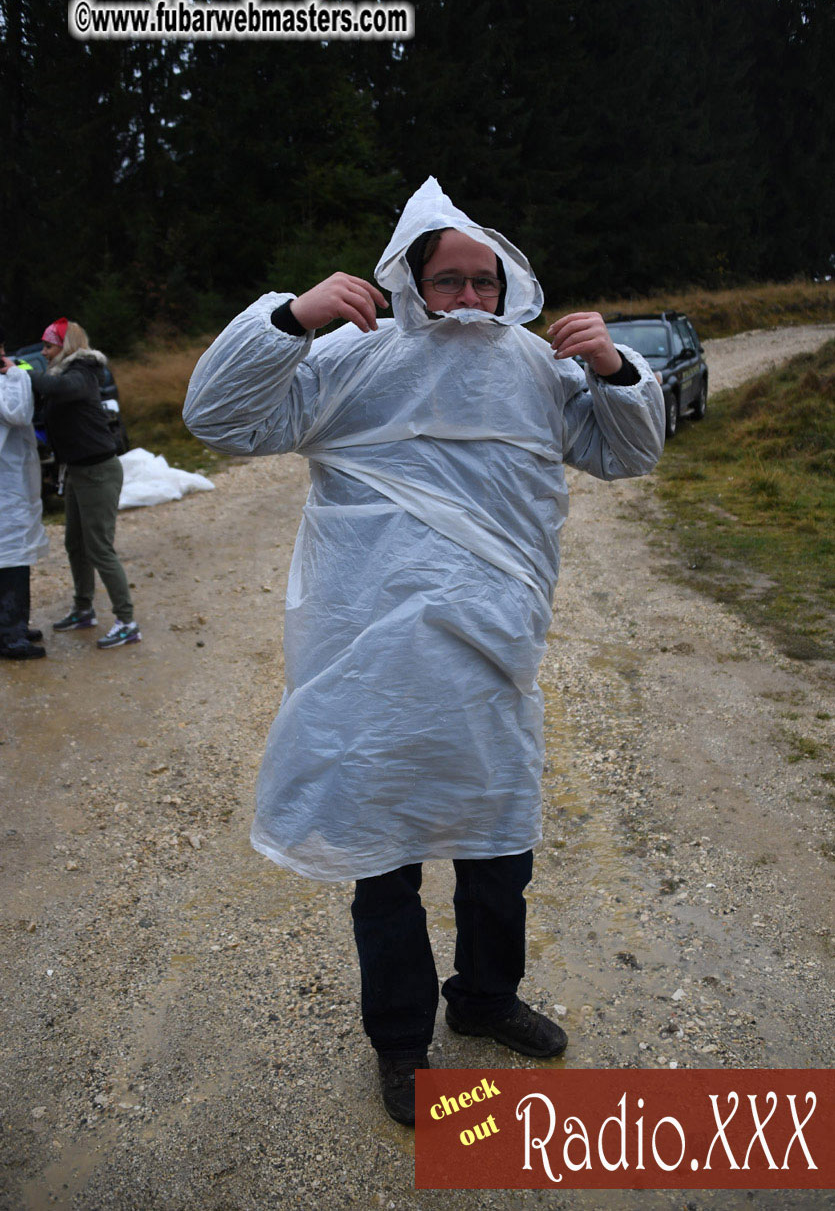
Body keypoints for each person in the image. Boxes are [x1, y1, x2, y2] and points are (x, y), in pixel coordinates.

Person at [183, 178, 665, 1125]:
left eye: (484, 282)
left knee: (499, 851)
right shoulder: (350, 362)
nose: (469, 301)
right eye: (448, 282)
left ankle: (483, 999)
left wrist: (615, 369)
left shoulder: (534, 367)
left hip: (492, 654)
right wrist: (287, 318)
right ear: (409, 282)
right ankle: (401, 1043)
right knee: (386, 853)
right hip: (372, 658)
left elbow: (626, 453)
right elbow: (219, 418)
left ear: (508, 286)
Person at [28, 318, 141, 650]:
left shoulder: (84, 371)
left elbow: (62, 391)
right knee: (75, 545)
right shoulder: (62, 373)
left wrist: (21, 372)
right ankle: (83, 609)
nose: (44, 353)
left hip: (98, 471)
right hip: (78, 471)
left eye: (48, 346)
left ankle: (127, 621)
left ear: (65, 347)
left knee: (99, 549)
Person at [0, 329, 50, 660]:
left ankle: (15, 624)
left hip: (12, 484)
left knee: (17, 557)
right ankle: (10, 636)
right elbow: (17, 413)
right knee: (11, 560)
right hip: (6, 490)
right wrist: (16, 374)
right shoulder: (7, 380)